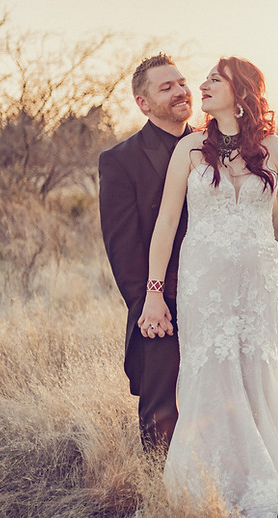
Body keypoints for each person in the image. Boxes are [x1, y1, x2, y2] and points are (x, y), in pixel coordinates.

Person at [138, 56, 278, 518]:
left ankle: (273, 467)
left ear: (241, 92)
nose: (201, 86)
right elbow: (165, 223)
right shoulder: (191, 149)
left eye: (213, 80)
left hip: (258, 281)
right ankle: (215, 477)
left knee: (257, 365)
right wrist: (154, 291)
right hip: (204, 284)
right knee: (211, 368)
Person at [98, 53, 192, 455]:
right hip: (162, 300)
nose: (180, 92)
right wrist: (149, 304)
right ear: (144, 102)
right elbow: (123, 246)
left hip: (216, 294)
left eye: (182, 83)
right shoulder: (120, 160)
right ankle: (162, 499)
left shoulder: (214, 145)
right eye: (166, 87)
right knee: (162, 409)